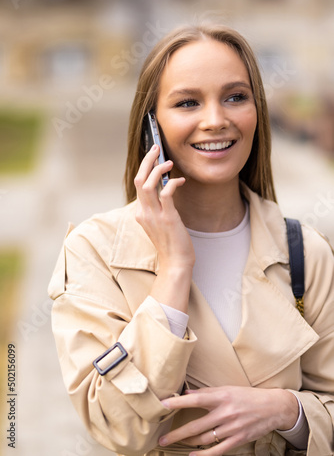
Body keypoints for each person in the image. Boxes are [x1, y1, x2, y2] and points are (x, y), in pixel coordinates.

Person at [48, 23, 334, 456]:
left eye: (236, 97)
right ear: (152, 127)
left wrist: (286, 410)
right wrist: (175, 268)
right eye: (187, 103)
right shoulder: (94, 251)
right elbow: (116, 426)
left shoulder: (306, 251)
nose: (216, 120)